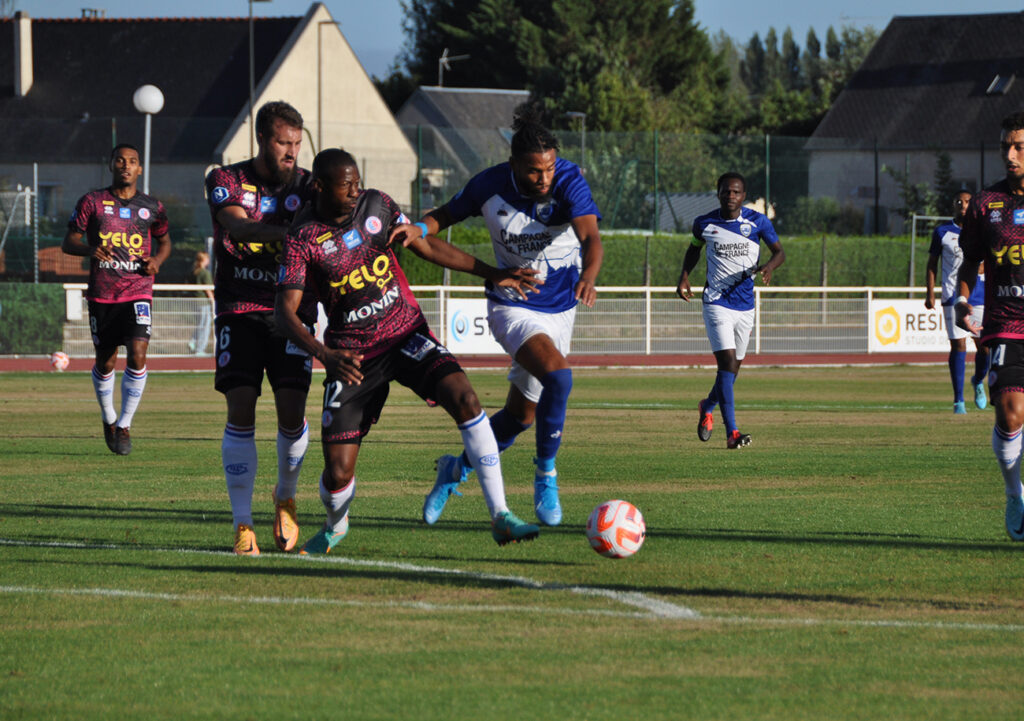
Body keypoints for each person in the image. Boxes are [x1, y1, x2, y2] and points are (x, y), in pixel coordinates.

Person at [275, 148, 540, 552]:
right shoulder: (303, 236)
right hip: (352, 358)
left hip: (406, 334)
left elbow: (427, 247)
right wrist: (324, 355)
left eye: (356, 182)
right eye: (345, 185)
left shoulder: (377, 204)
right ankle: (335, 524)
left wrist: (493, 273)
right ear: (319, 186)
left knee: (466, 398)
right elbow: (285, 312)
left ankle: (500, 515)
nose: (354, 191)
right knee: (337, 472)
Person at [391, 105, 603, 528]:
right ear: (513, 165)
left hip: (561, 309)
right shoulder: (489, 185)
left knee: (520, 418)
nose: (543, 178)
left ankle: (454, 470)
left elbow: (591, 236)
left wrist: (590, 276)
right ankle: (546, 476)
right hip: (513, 305)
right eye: (533, 171)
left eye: (548, 168)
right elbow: (446, 215)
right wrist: (418, 227)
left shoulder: (568, 181)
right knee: (560, 377)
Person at [205, 101, 315, 556]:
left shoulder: (311, 184)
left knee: (291, 412)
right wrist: (290, 236)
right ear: (261, 138)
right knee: (242, 408)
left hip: (291, 309)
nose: (290, 152)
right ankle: (242, 523)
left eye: (296, 143)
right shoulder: (225, 179)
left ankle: (285, 497)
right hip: (239, 307)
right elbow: (237, 226)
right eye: (282, 142)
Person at [62, 143, 171, 456]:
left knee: (138, 352)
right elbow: (69, 241)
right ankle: (108, 417)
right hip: (102, 292)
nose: (126, 165)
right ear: (111, 165)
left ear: (140, 169)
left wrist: (157, 261)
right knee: (106, 360)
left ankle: (124, 424)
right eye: (120, 160)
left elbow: (165, 241)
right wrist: (89, 249)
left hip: (138, 289)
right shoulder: (93, 202)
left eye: (132, 161)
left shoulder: (153, 207)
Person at [676, 172, 785, 449]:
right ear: (718, 193)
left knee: (733, 370)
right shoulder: (704, 224)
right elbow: (694, 250)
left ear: (743, 195)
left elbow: (779, 252)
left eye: (736, 192)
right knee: (725, 365)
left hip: (745, 306)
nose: (731, 196)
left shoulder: (757, 222)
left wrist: (769, 267)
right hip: (716, 302)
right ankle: (732, 432)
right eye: (726, 192)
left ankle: (707, 405)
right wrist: (685, 276)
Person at [956, 110, 1024, 542]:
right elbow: (970, 261)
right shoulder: (985, 205)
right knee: (1010, 410)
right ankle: (1015, 493)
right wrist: (962, 299)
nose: (1011, 155)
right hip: (1005, 321)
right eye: (1006, 147)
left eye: (1019, 147)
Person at [925, 190, 990, 413]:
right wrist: (930, 293)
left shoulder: (983, 230)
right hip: (952, 295)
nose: (963, 205)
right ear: (954, 205)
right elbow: (932, 263)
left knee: (984, 347)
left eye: (967, 202)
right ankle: (958, 400)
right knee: (959, 345)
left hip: (979, 294)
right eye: (958, 201)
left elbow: (992, 258)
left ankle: (978, 381)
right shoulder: (942, 232)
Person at [186, 250, 214, 355]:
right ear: (203, 260)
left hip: (194, 302)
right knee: (205, 325)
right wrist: (213, 301)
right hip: (203, 303)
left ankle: (192, 342)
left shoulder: (193, 272)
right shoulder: (204, 273)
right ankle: (200, 349)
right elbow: (208, 289)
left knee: (200, 324)